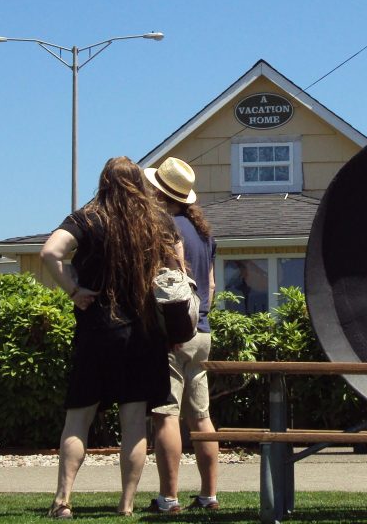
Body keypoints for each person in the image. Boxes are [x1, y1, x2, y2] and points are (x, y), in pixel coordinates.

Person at [41, 156, 181, 519]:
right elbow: (177, 270)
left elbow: (50, 252)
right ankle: (126, 504)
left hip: (97, 331)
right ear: (139, 182)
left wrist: (73, 290)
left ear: (103, 181)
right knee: (134, 423)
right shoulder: (156, 221)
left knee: (78, 419)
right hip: (143, 336)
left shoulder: (87, 217)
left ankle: (63, 501)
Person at [144, 157, 220, 513]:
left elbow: (170, 284)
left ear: (159, 192)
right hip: (202, 330)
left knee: (166, 415)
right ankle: (208, 496)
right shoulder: (204, 233)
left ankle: (169, 498)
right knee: (201, 416)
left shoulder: (164, 229)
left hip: (175, 334)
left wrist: (173, 325)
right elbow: (211, 286)